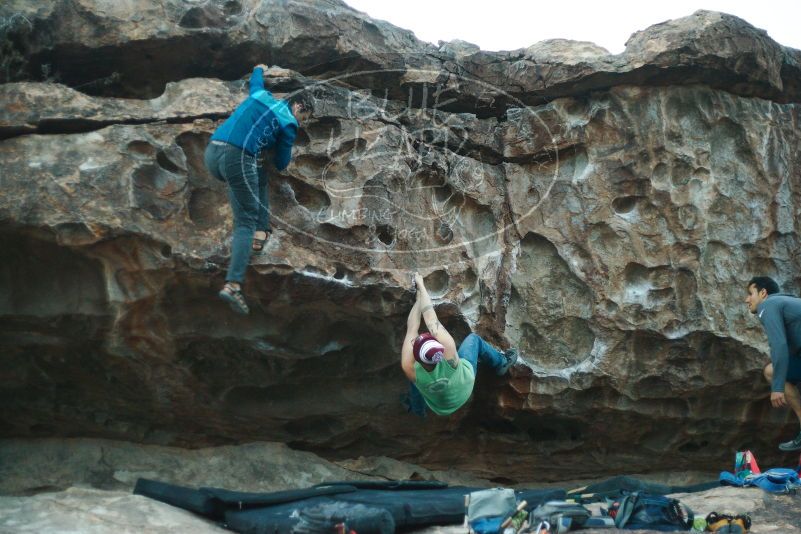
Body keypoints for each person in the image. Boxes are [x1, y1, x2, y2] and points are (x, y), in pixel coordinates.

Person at [204, 64, 309, 314]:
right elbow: (282, 164)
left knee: (257, 175)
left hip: (212, 153)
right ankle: (233, 284)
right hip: (237, 160)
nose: (302, 122)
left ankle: (261, 234)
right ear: (298, 107)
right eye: (305, 117)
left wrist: (259, 68)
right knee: (244, 223)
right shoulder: (289, 123)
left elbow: (256, 82)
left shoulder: (261, 96)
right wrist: (283, 140)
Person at [401, 272, 518, 416]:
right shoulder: (448, 351)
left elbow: (412, 327)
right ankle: (501, 363)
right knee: (474, 339)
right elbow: (430, 318)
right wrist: (421, 286)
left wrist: (418, 297)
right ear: (439, 349)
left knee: (416, 382)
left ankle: (418, 410)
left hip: (440, 408)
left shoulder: (409, 368)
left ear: (416, 358)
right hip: (463, 390)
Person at [745, 276, 801, 451]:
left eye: (750, 293)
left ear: (763, 293)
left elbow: (779, 345)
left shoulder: (768, 305)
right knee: (773, 369)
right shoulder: (788, 301)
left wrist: (777, 388)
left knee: (771, 372)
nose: (747, 299)